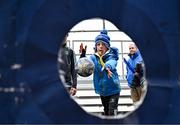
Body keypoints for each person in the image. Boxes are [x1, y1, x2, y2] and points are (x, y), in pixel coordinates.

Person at [79, 29, 121, 116]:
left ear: (107, 47)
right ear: (96, 47)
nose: (100, 46)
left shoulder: (111, 56)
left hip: (113, 89)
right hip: (102, 91)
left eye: (103, 44)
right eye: (98, 44)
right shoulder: (93, 58)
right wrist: (83, 56)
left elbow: (112, 62)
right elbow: (86, 64)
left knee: (112, 112)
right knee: (106, 111)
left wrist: (107, 66)